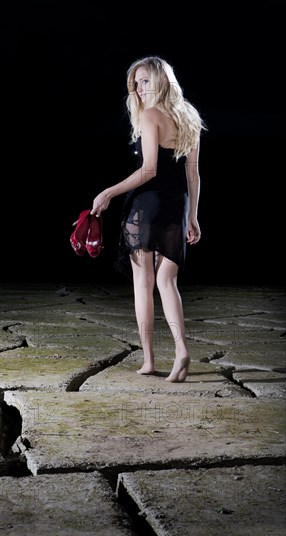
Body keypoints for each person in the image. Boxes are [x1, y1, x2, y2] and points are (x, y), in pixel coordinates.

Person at [90, 55, 206, 382]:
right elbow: (193, 174)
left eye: (145, 81)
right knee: (168, 281)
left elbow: (150, 169)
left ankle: (149, 361)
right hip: (177, 206)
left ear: (161, 80)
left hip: (147, 206)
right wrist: (193, 217)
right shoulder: (189, 117)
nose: (139, 89)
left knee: (143, 285)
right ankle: (182, 351)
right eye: (136, 83)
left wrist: (108, 193)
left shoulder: (151, 116)